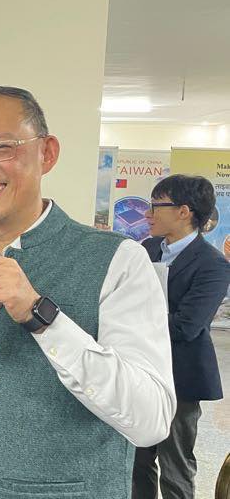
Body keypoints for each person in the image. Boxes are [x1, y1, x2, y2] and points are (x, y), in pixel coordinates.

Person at [0, 85, 176, 498]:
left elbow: (150, 421)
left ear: (47, 153)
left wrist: (39, 314)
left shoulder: (118, 260)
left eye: (2, 148)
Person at [132, 174, 230, 499]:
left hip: (181, 378)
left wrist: (133, 319)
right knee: (137, 462)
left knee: (175, 465)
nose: (148, 214)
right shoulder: (146, 250)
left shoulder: (212, 264)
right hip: (139, 372)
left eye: (156, 206)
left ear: (183, 211)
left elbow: (187, 326)